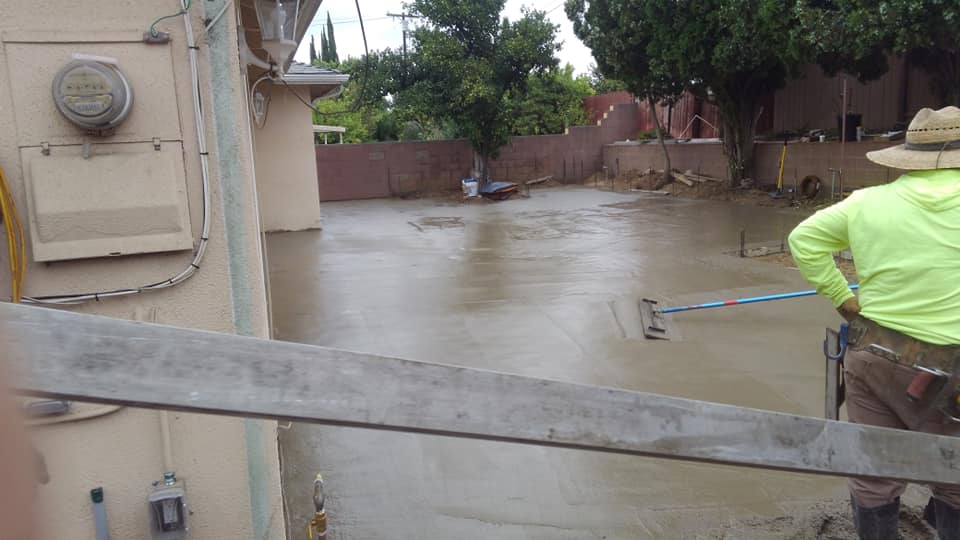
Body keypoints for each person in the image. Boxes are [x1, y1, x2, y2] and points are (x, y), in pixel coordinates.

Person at [789, 106, 960, 540]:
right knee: (955, 478)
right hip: (951, 376)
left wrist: (844, 302)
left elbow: (803, 241)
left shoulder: (866, 202)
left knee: (873, 473)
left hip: (874, 359)